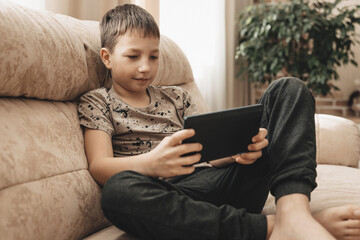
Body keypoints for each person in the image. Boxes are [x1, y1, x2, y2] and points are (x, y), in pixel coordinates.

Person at [78, 4, 360, 240]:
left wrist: (236, 153)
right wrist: (151, 163)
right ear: (107, 58)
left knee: (290, 88)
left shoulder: (177, 97)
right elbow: (100, 167)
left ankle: (294, 211)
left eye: (153, 56)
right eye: (133, 56)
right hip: (173, 197)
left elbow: (208, 151)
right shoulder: (97, 101)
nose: (145, 66)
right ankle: (279, 227)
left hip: (222, 182)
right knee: (117, 193)